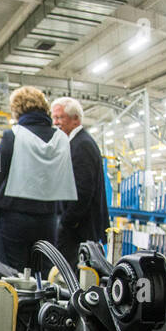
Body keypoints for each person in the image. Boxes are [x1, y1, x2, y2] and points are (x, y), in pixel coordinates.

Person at [0, 86, 76, 272]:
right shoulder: (61, 139)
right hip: (49, 219)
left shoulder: (11, 136)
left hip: (14, 217)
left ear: (17, 109)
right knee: (43, 272)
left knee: (12, 273)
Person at [51, 97, 110, 266]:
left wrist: (66, 222)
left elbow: (83, 190)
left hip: (79, 231)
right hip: (77, 228)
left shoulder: (82, 145)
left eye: (60, 117)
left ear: (75, 119)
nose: (56, 123)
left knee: (74, 276)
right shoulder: (76, 143)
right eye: (54, 118)